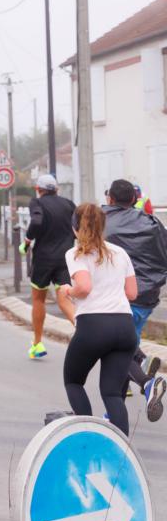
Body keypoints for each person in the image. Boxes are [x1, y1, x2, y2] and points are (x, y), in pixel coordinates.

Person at [61, 204, 138, 435]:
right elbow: (132, 293)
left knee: (74, 381)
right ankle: (122, 449)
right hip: (124, 326)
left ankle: (87, 435)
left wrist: (68, 290)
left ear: (75, 227)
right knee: (112, 393)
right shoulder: (120, 252)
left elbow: (83, 287)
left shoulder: (75, 253)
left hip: (94, 326)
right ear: (103, 225)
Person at [103, 179, 167, 421]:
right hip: (147, 299)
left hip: (118, 297)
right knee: (122, 352)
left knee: (116, 353)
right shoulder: (152, 222)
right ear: (134, 200)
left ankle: (147, 383)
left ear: (110, 198)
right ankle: (113, 415)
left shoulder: (102, 221)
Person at [20, 173, 76, 358]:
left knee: (38, 299)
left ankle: (37, 344)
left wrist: (27, 241)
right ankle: (84, 330)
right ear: (57, 189)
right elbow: (79, 226)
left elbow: (36, 221)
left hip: (43, 258)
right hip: (65, 258)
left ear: (38, 190)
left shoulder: (37, 203)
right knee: (64, 298)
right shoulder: (69, 204)